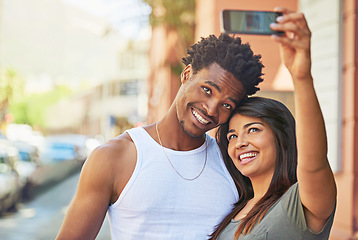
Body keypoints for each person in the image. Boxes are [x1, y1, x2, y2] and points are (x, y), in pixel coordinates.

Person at [56, 33, 264, 239]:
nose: (211, 109)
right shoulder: (114, 157)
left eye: (226, 105)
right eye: (207, 90)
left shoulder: (232, 163)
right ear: (186, 74)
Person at [210, 8, 337, 240]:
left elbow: (315, 162)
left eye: (253, 130)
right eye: (232, 136)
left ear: (283, 138)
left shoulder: (299, 204)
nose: (240, 143)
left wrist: (301, 76)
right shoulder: (235, 210)